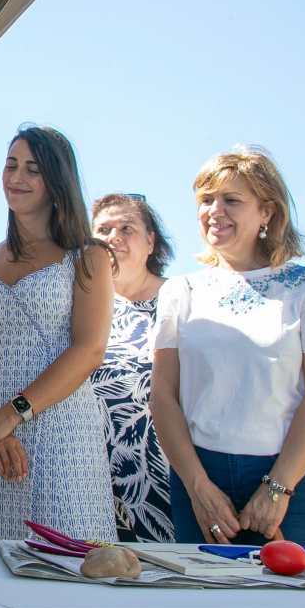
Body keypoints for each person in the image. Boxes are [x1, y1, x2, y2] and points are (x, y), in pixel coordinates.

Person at [151, 147, 305, 548]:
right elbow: (163, 396)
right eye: (206, 200)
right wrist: (198, 489)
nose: (214, 211)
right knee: (205, 607)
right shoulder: (180, 291)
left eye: (231, 200)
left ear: (268, 212)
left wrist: (278, 488)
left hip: (290, 483)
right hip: (199, 480)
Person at [0, 125, 116, 541]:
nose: (16, 178)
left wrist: (10, 414)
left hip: (59, 440)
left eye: (32, 169)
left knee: (61, 567)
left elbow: (89, 350)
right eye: (11, 165)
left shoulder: (88, 258)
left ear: (56, 182)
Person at [89, 193, 175, 543]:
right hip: (90, 478)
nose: (114, 238)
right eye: (104, 230)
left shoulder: (181, 299)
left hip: (167, 475)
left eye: (128, 228)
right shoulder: (78, 305)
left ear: (151, 241)